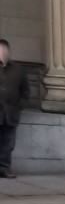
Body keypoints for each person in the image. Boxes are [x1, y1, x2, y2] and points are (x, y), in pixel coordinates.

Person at [0, 39, 32, 179]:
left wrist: (19, 106)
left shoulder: (18, 70)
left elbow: (25, 91)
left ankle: (4, 168)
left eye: (2, 50)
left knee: (7, 143)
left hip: (10, 113)